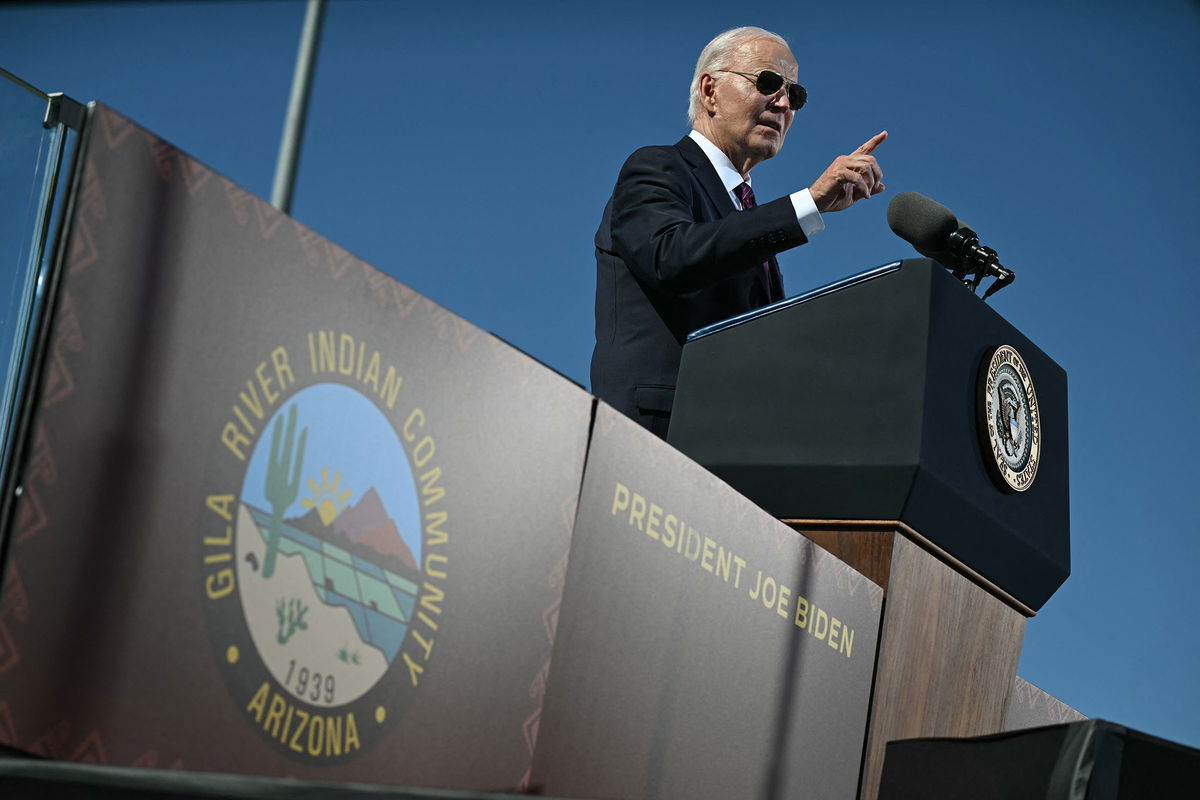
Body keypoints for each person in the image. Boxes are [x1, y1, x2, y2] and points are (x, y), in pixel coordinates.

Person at [590, 26, 886, 437]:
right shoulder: (658, 167)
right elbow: (670, 257)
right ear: (710, 91)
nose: (783, 102)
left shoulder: (745, 210)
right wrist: (808, 203)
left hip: (735, 445)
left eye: (794, 95)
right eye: (767, 83)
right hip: (658, 434)